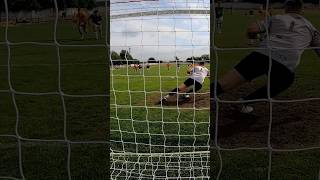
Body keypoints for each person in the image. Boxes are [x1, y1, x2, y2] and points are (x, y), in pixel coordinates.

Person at [211, 0, 320, 113]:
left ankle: (198, 97)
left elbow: (252, 29)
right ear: (302, 10)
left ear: (286, 9)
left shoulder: (277, 18)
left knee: (225, 83)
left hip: (261, 55)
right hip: (285, 64)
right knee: (286, 80)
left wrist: (254, 36)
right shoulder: (311, 28)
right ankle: (244, 101)